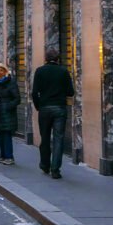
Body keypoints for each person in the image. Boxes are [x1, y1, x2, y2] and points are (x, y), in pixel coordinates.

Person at [32, 48, 75, 179]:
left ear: (45, 58)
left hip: (44, 108)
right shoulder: (63, 71)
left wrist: (39, 106)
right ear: (58, 59)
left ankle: (45, 164)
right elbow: (70, 92)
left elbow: (34, 92)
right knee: (58, 139)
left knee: (44, 137)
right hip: (59, 108)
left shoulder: (39, 71)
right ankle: (55, 169)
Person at [0, 62, 20, 165]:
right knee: (0, 134)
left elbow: (17, 99)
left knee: (7, 134)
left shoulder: (11, 83)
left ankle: (9, 156)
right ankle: (2, 155)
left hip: (7, 113)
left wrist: (7, 106)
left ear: (4, 72)